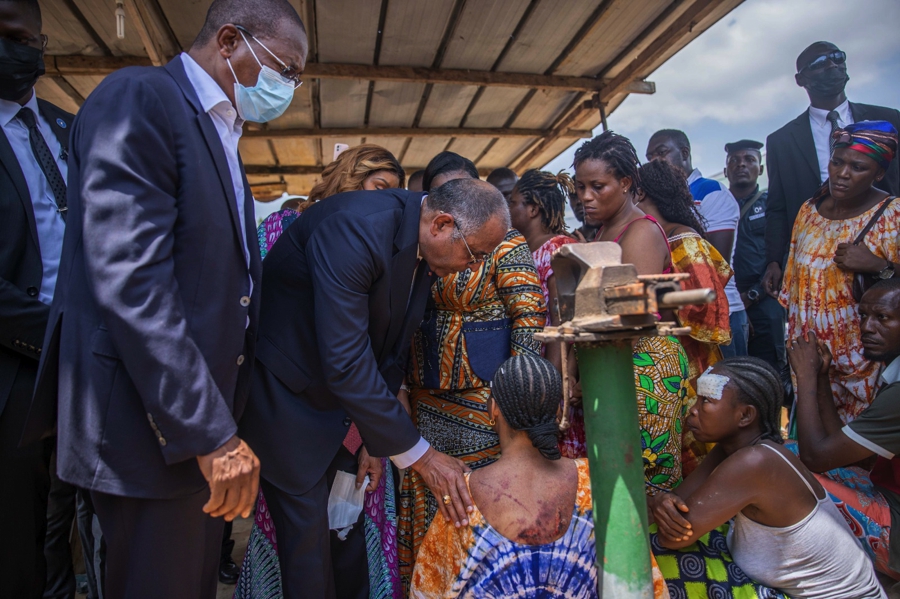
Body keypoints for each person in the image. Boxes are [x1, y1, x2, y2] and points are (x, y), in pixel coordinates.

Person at [25, 1, 310, 597]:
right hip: (147, 432)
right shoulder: (142, 98)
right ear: (230, 40)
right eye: (285, 69)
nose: (289, 87)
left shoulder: (222, 133)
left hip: (193, 439)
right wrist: (210, 432)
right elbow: (131, 279)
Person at [238, 178, 512, 599]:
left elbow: (390, 348)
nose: (472, 268)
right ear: (441, 224)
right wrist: (422, 458)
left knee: (346, 543)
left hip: (341, 409)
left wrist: (372, 440)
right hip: (288, 404)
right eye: (473, 254)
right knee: (307, 551)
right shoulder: (354, 229)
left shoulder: (420, 239)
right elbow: (346, 360)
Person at [240, 144, 406, 599]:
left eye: (395, 194)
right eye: (378, 188)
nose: (386, 202)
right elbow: (259, 320)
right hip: (287, 415)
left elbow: (372, 341)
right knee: (300, 547)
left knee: (349, 535)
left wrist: (370, 431)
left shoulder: (383, 244)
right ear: (348, 178)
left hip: (353, 415)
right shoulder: (280, 228)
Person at [398, 154, 546, 587]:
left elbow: (528, 315)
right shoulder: (418, 243)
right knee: (429, 496)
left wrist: (515, 387)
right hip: (425, 393)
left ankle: (478, 585)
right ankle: (432, 583)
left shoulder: (505, 242)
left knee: (476, 497)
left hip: (485, 395)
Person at [410, 354, 671, 599]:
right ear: (557, 413)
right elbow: (645, 585)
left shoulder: (461, 496)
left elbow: (426, 590)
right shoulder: (595, 479)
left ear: (492, 410)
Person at [650, 357, 885, 598]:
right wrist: (662, 502)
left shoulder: (754, 463)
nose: (693, 410)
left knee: (656, 555)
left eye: (706, 401)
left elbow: (672, 537)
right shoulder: (734, 449)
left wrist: (660, 501)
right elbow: (676, 503)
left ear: (745, 416)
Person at [0, 1, 75, 596]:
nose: (14, 47)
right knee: (18, 535)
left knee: (77, 523)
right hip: (17, 368)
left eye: (23, 36)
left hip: (91, 369)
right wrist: (58, 332)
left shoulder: (67, 127)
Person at [574, 131, 689, 491]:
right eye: (580, 187)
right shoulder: (604, 231)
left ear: (625, 183)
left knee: (645, 486)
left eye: (597, 186)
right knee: (616, 480)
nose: (585, 198)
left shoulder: (640, 233)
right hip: (613, 365)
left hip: (647, 370)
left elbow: (627, 314)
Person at [780, 121, 899, 423]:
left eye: (858, 167)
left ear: (879, 174)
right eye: (837, 162)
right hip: (811, 364)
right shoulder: (809, 211)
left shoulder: (893, 215)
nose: (843, 174)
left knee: (860, 457)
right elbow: (794, 292)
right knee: (815, 450)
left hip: (867, 367)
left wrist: (879, 266)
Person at [763, 41, 900, 300]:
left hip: (883, 247)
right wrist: (773, 261)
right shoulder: (782, 140)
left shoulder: (890, 119)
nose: (833, 66)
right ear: (800, 79)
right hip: (814, 255)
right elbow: (778, 207)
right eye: (820, 63)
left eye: (838, 58)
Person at [789, 280, 900, 583]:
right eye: (863, 316)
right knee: (783, 454)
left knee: (778, 468)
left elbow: (817, 457)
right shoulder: (894, 372)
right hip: (889, 498)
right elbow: (847, 456)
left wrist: (806, 376)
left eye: (883, 318)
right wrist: (822, 380)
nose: (867, 327)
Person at [635, 159, 732, 475]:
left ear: (641, 195)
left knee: (694, 441)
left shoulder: (683, 239)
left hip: (690, 361)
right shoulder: (654, 237)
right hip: (666, 360)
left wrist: (655, 302)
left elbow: (707, 303)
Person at [646, 129, 746, 358]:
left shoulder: (712, 191)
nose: (654, 161)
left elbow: (711, 262)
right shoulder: (658, 196)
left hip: (721, 311)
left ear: (684, 153)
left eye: (661, 153)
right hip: (686, 313)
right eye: (650, 157)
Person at [256, 144, 405, 259]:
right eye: (379, 188)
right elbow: (252, 283)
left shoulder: (378, 246)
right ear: (352, 179)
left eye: (392, 195)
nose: (386, 201)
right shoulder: (284, 223)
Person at [724, 139, 787, 385]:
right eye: (734, 160)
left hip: (765, 301)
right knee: (733, 376)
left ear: (760, 169)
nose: (741, 165)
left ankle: (770, 424)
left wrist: (751, 296)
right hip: (728, 301)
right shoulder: (716, 204)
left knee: (769, 374)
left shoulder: (773, 205)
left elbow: (782, 257)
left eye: (749, 159)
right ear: (726, 169)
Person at [506, 168, 577, 372]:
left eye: (513, 202)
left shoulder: (557, 250)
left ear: (533, 209)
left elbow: (561, 319)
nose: (508, 208)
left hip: (551, 371)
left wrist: (552, 380)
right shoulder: (521, 250)